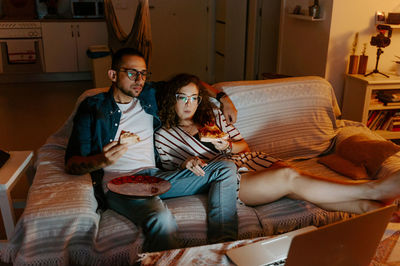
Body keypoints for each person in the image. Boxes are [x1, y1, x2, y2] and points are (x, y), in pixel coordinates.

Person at [64, 48, 239, 252]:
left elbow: (191, 84)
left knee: (225, 168)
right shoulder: (93, 107)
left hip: (156, 177)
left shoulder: (150, 94)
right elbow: (71, 164)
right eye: (131, 73)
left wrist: (223, 98)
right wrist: (101, 160)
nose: (139, 79)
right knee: (161, 220)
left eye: (143, 73)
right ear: (113, 75)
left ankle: (223, 251)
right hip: (121, 183)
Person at [155, 73, 400, 214]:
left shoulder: (213, 117)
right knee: (288, 178)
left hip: (251, 162)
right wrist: (191, 162)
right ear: (170, 99)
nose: (189, 104)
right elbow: (176, 175)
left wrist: (227, 146)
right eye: (182, 98)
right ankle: (372, 189)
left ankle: (368, 208)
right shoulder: (164, 135)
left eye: (194, 98)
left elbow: (245, 147)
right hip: (227, 180)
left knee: (297, 186)